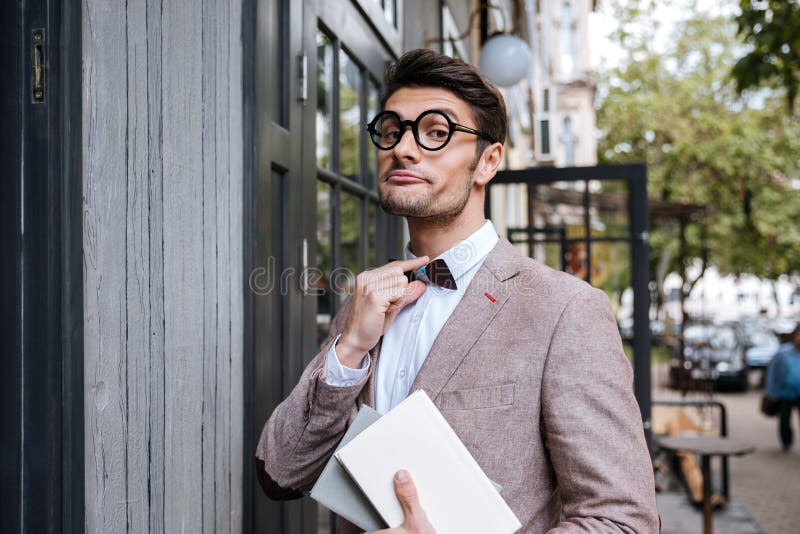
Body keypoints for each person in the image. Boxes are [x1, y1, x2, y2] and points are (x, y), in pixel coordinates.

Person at [256, 48, 659, 533]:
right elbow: (281, 473)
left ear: (487, 161)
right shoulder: (365, 306)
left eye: (436, 132)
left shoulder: (564, 311)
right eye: (392, 130)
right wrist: (350, 347)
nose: (403, 148)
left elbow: (622, 522)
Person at [765, 323, 800, 451]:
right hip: (785, 392)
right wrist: (770, 391)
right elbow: (772, 373)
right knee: (784, 420)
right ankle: (787, 442)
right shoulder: (783, 353)